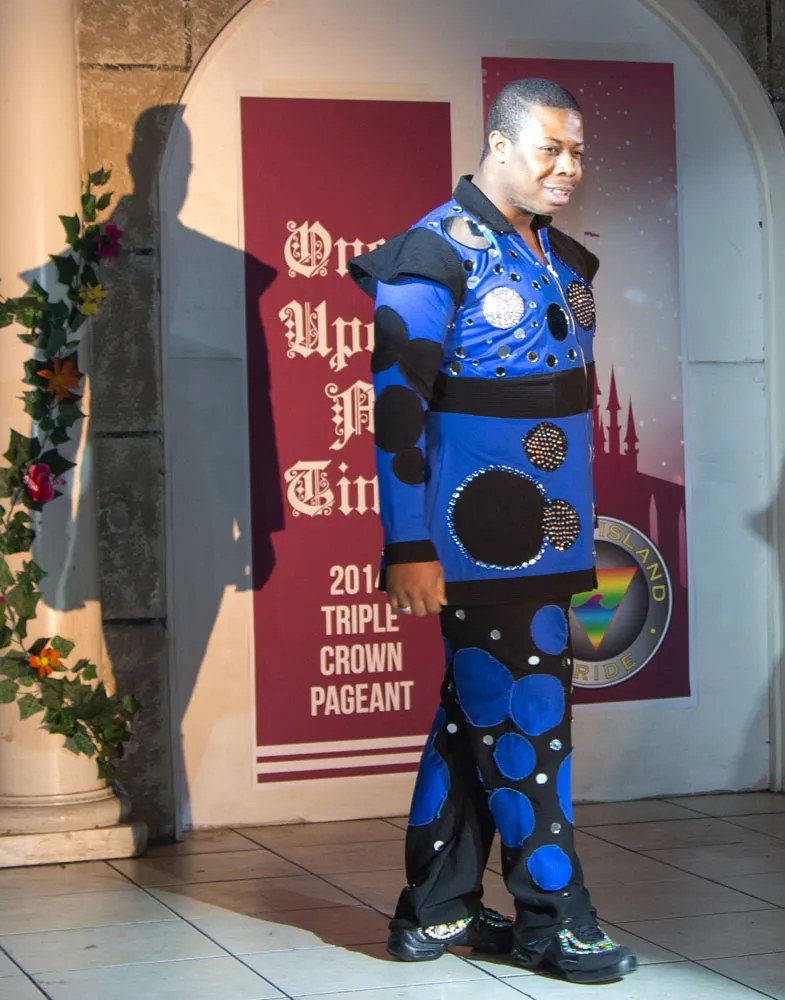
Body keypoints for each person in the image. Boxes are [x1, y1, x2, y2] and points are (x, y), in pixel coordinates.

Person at [349, 78, 636, 985]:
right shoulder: (432, 253)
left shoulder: (554, 253)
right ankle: (555, 920)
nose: (568, 167)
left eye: (577, 151)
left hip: (548, 530)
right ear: (499, 145)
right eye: (550, 148)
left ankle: (434, 911)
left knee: (473, 716)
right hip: (482, 534)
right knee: (527, 715)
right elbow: (397, 410)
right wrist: (407, 544)